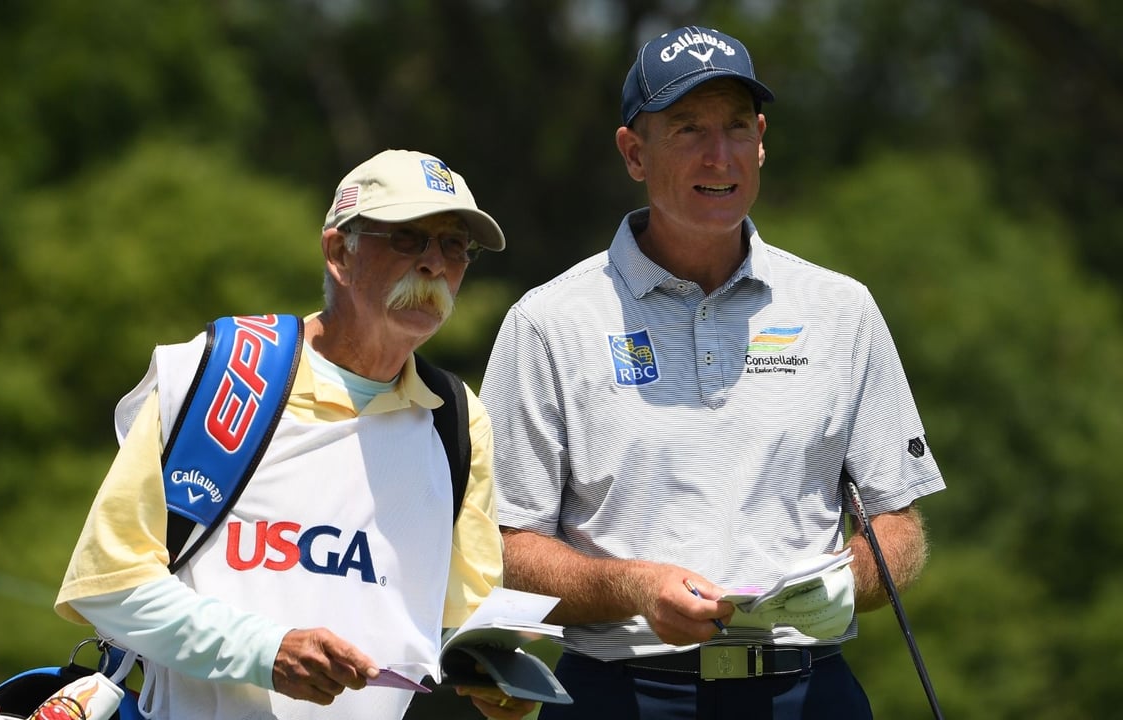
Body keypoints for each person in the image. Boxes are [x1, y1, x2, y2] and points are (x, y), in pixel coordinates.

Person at [478, 24, 946, 719]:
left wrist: (852, 578)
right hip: (623, 692)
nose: (718, 154)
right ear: (634, 152)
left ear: (762, 140)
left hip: (809, 689)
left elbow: (897, 523)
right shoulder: (548, 321)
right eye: (688, 128)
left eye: (735, 126)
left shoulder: (842, 309)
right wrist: (636, 588)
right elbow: (505, 547)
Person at [54, 149, 537, 720]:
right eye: (408, 239)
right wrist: (267, 651)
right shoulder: (220, 374)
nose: (435, 264)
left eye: (455, 245)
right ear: (339, 251)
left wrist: (499, 688)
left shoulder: (456, 418)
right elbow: (106, 586)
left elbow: (467, 627)